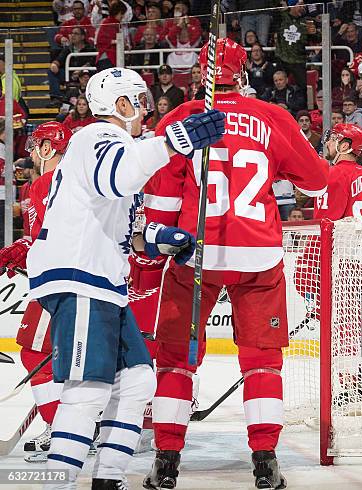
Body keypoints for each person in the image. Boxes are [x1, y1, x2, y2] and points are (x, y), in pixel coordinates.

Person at [25, 67, 225, 489]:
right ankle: (56, 482)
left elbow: (120, 224)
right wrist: (174, 142)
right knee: (89, 389)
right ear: (121, 104)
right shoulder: (98, 138)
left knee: (137, 381)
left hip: (101, 280)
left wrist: (158, 237)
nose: (144, 110)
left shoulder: (110, 146)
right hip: (82, 277)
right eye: (140, 100)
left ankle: (109, 479)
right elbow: (115, 179)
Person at [143, 39, 328, 489]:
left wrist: (162, 238)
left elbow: (162, 196)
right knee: (262, 360)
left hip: (194, 254)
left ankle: (166, 460)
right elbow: (318, 179)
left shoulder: (180, 116)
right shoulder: (272, 116)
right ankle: (265, 461)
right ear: (242, 74)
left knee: (175, 359)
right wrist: (273, 166)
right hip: (259, 255)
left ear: (200, 75)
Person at [0, 122, 72, 462]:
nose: (31, 151)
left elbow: (49, 239)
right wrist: (21, 248)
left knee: (33, 352)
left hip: (57, 282)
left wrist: (24, 251)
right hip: (79, 277)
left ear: (48, 148)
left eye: (37, 144)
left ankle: (63, 432)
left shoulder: (47, 183)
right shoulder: (70, 180)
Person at [314, 123, 362, 220]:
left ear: (344, 146)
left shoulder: (332, 173)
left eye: (333, 139)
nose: (327, 143)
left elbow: (325, 221)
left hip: (343, 234)